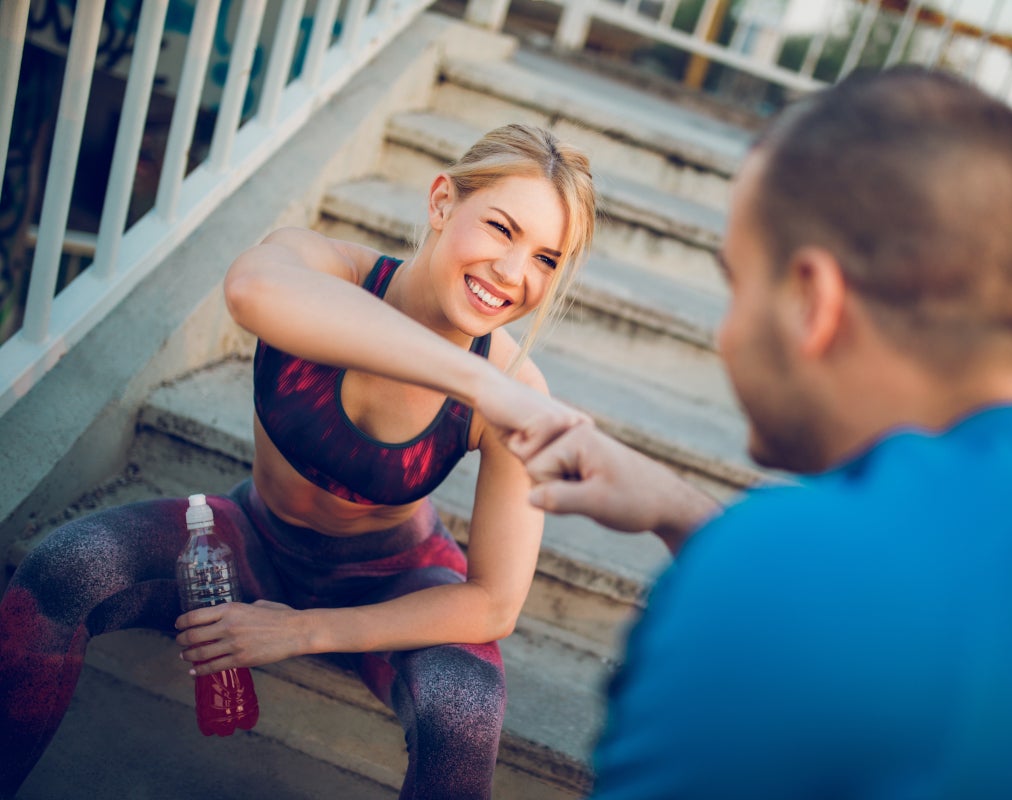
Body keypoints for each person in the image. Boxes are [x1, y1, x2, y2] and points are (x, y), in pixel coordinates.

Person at [508, 68, 1012, 798]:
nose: (727, 333)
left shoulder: (767, 577)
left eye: (738, 285)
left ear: (813, 298)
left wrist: (731, 558)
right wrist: (689, 515)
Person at [0, 123, 595, 800]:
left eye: (548, 259)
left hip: (393, 580)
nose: (516, 273)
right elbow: (250, 291)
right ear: (440, 203)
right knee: (60, 570)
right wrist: (478, 381)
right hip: (253, 540)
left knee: (465, 711)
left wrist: (302, 630)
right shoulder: (321, 267)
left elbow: (492, 604)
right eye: (500, 229)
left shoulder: (517, 388)